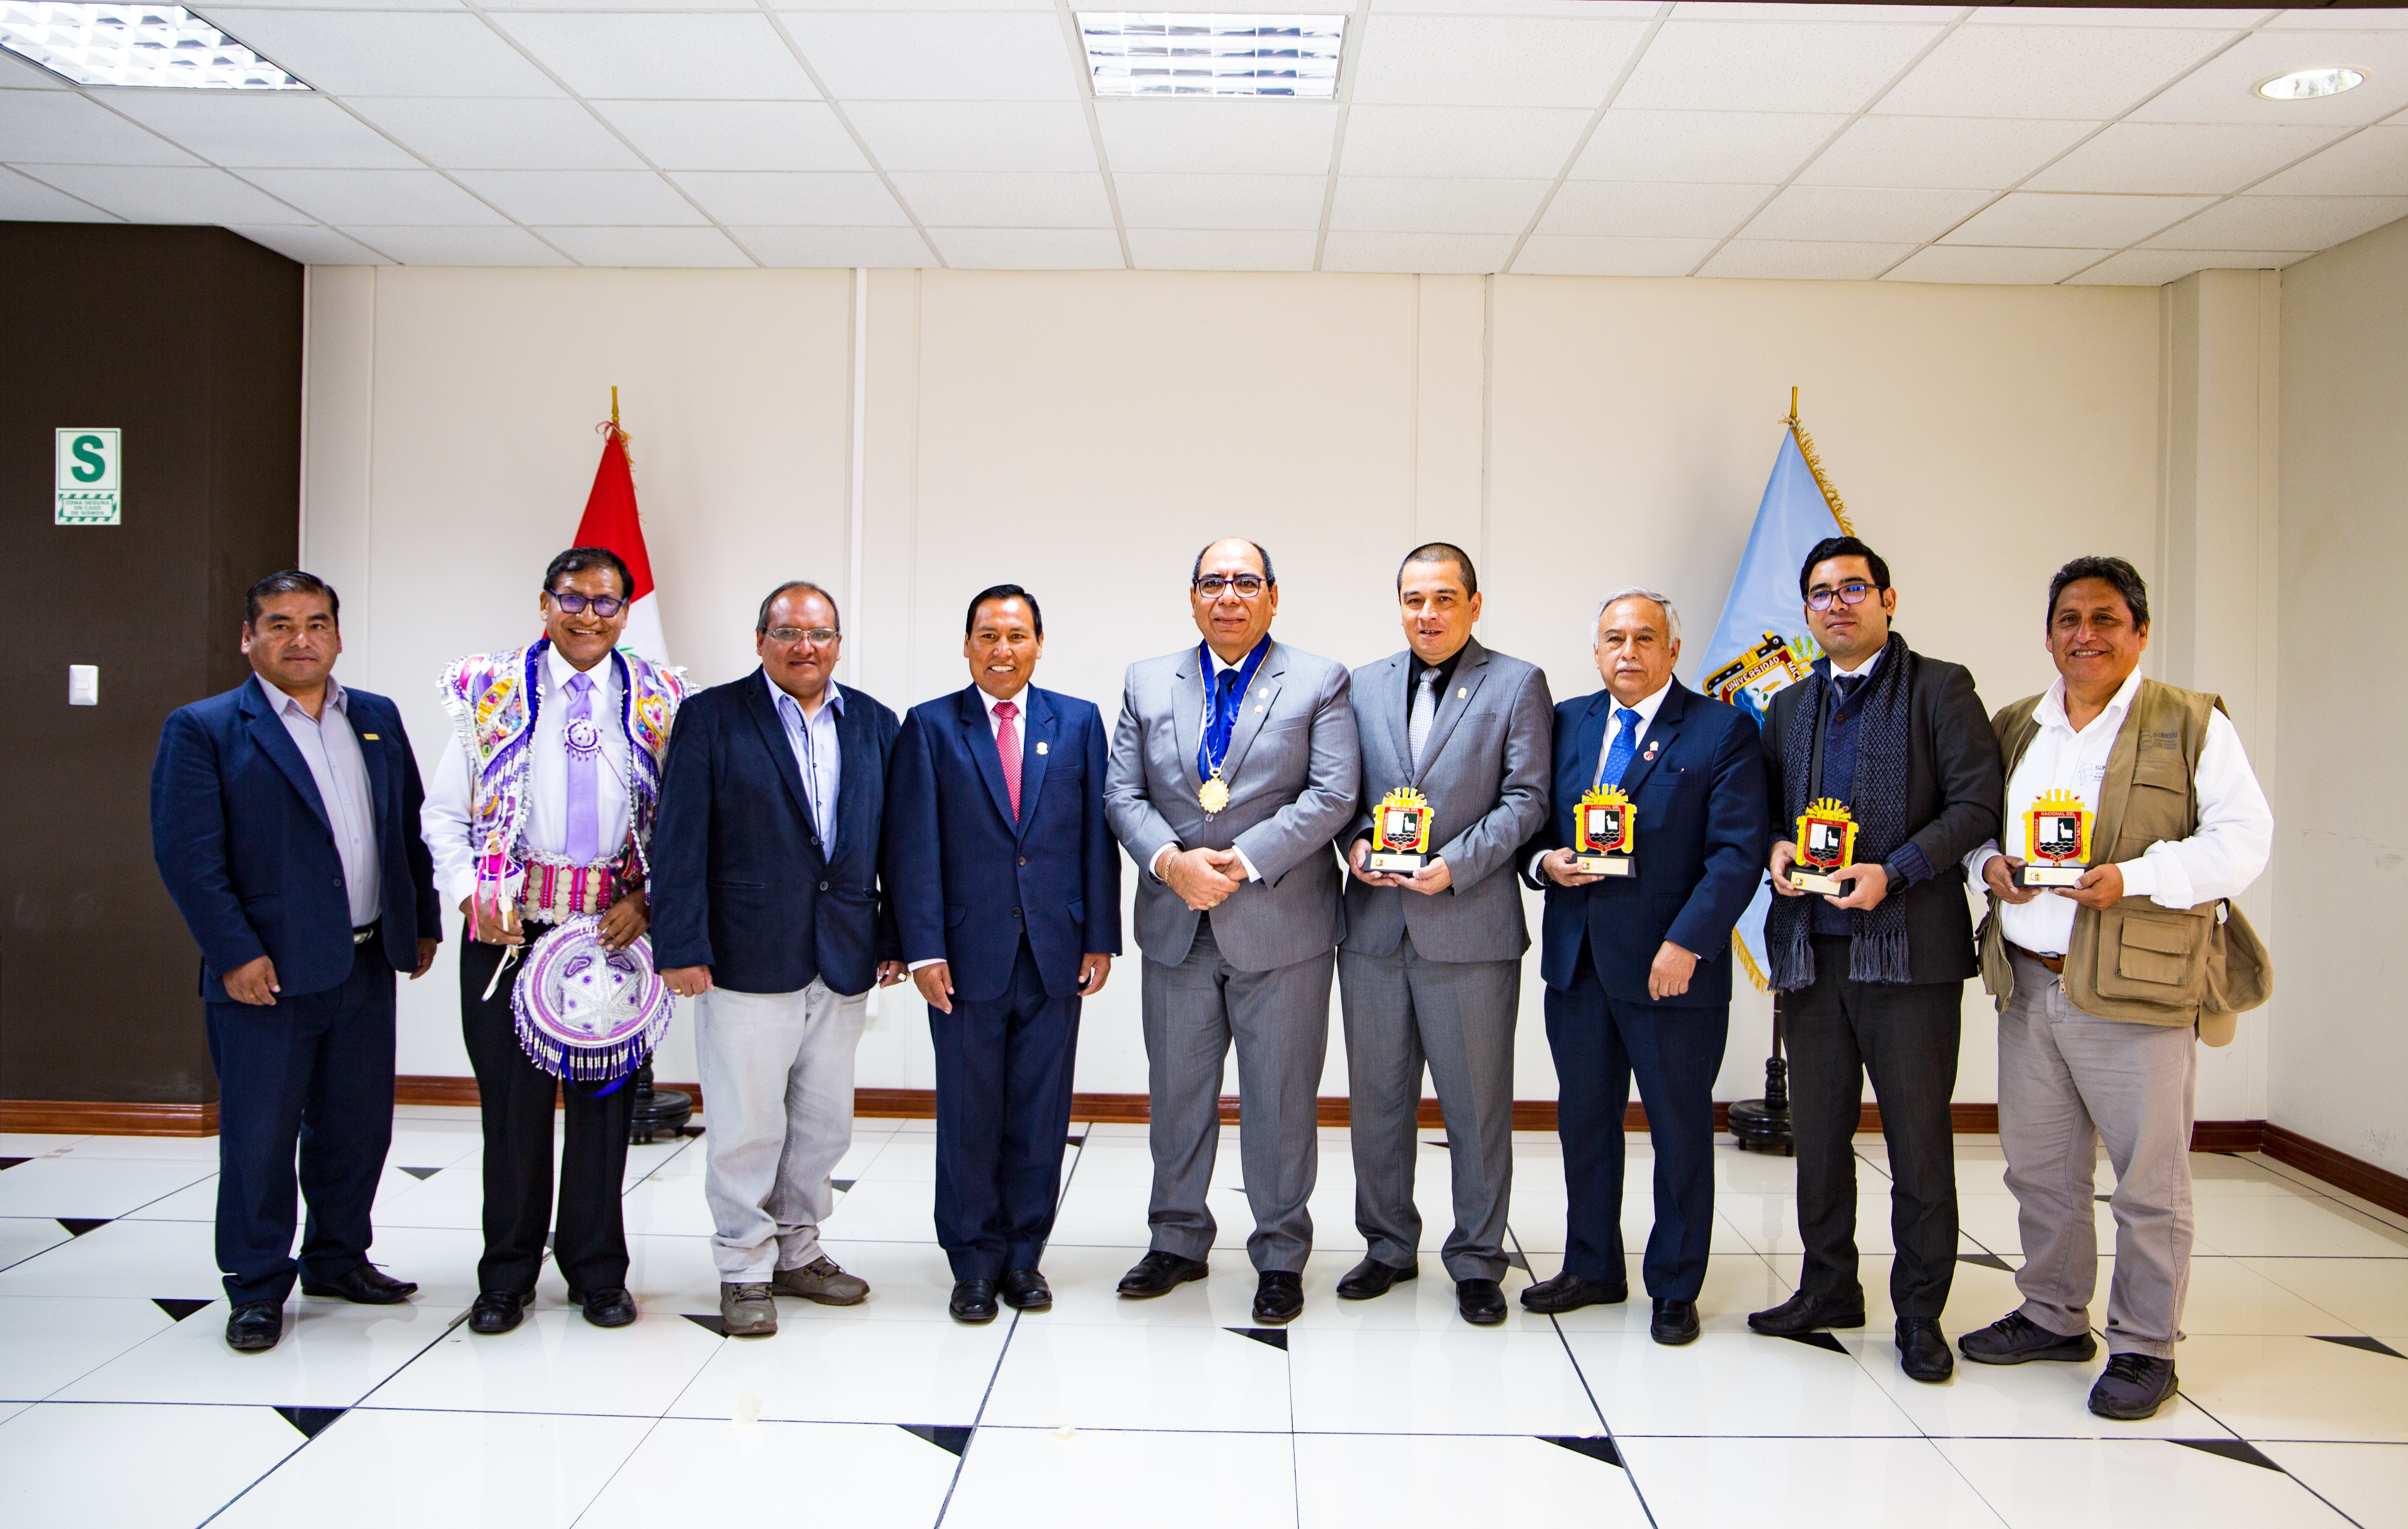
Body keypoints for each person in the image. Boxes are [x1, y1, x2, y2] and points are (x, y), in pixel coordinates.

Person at [1956, 556, 2271, 1421]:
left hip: (2138, 988)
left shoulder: (2191, 723)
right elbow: (1970, 828)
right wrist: (1991, 868)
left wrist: (2130, 878)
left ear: (2139, 630)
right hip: (2029, 982)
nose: (2084, 636)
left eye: (2103, 619)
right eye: (2068, 620)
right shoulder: (2019, 725)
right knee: (2042, 1169)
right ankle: (2055, 1314)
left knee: (2149, 1179)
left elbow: (2244, 840)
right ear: (2049, 633)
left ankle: (2144, 1345)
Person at [152, 570, 441, 1353]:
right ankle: (255, 1285)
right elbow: (187, 857)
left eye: (316, 623)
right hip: (266, 975)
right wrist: (234, 952)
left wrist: (419, 922)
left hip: (364, 962)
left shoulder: (374, 718)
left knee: (356, 1128)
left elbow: (404, 829)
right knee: (259, 1137)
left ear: (338, 636)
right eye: (279, 624)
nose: (300, 638)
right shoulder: (206, 728)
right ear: (248, 638)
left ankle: (338, 1257)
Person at [1747, 536, 2002, 1384]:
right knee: (1818, 1139)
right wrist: (1779, 851)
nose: (1837, 605)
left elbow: (1976, 807)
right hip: (1813, 958)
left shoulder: (1943, 688)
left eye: (1854, 588)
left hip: (1910, 960)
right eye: (1820, 594)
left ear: (1889, 601)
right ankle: (1828, 1288)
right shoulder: (1788, 707)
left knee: (1919, 1146)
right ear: (1808, 611)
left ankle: (1921, 1312)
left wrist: (1893, 873)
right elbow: (1771, 814)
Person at [424, 547, 688, 1336]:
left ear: (626, 612)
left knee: (606, 1112)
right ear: (544, 604)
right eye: (573, 599)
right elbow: (443, 815)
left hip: (614, 938)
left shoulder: (662, 698)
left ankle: (598, 1272)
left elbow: (688, 820)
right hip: (511, 934)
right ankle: (505, 1275)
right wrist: (473, 892)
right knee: (511, 1114)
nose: (589, 616)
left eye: (607, 602)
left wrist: (651, 898)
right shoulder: (490, 692)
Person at [1102, 538, 1359, 1326]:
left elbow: (1333, 793)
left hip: (1282, 924)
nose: (1228, 596)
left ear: (1273, 597)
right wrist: (1171, 862)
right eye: (1213, 582)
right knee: (1178, 1094)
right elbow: (1122, 791)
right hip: (1177, 921)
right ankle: (1176, 1238)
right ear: (1191, 597)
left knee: (1281, 1098)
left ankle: (1280, 1252)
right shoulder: (1148, 680)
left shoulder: (1319, 680)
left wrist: (1241, 862)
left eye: (1245, 582)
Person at [651, 581, 905, 1337]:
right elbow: (679, 840)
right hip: (742, 953)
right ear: (760, 639)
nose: (805, 648)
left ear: (838, 642)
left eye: (820, 634)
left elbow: (893, 841)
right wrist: (682, 944)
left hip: (845, 954)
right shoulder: (710, 718)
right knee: (746, 1123)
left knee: (824, 1123)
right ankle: (742, 1265)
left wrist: (891, 937)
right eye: (788, 632)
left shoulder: (873, 723)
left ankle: (798, 1248)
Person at [1518, 588, 1768, 1345]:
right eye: (1613, 638)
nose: (1627, 651)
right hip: (1580, 962)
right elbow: (1527, 818)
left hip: (1671, 967)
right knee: (1584, 1123)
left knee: (1679, 1130)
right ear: (1595, 651)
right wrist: (1543, 864)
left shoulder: (1722, 729)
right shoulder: (1565, 722)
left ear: (1671, 650)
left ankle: (1674, 1283)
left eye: (1643, 638)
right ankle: (1592, 1265)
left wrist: (1688, 942)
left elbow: (1736, 853)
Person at [882, 585, 1122, 1323]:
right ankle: (973, 1261)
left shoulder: (1077, 722)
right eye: (986, 634)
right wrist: (921, 949)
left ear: (1039, 643)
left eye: (1016, 634)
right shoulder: (929, 727)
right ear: (965, 645)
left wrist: (1100, 937)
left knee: (1040, 1113)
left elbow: (1095, 839)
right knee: (968, 1113)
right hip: (963, 954)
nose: (1001, 648)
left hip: (1054, 951)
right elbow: (911, 847)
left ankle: (1024, 1256)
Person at [1335, 544, 1552, 1326]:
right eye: (1412, 598)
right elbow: (1342, 791)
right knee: (1379, 1103)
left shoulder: (1517, 683)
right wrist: (1356, 842)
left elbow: (1526, 800)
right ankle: (1387, 1244)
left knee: (1475, 1106)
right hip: (1372, 930)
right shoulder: (1360, 684)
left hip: (1468, 924)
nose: (1426, 612)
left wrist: (1454, 866)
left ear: (1474, 603)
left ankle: (1476, 1258)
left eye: (1443, 598)